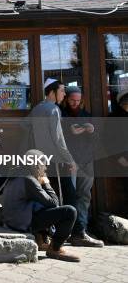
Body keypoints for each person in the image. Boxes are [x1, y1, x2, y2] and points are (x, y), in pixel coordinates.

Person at [2, 149, 80, 262]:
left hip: (12, 221)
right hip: (21, 223)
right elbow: (54, 203)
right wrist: (46, 182)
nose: (45, 168)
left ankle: (41, 240)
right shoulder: (29, 179)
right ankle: (55, 248)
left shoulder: (15, 174)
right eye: (44, 164)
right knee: (70, 211)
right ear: (37, 164)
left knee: (40, 205)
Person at [60, 86, 104, 247]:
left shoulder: (87, 115)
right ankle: (65, 231)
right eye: (72, 100)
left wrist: (92, 131)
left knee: (84, 196)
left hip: (86, 162)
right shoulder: (61, 114)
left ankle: (81, 230)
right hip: (69, 162)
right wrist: (69, 131)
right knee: (68, 196)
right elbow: (56, 139)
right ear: (66, 99)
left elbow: (96, 141)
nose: (75, 103)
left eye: (78, 101)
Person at [26, 78, 76, 181]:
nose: (64, 94)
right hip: (54, 161)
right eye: (62, 90)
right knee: (66, 194)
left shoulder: (37, 108)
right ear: (52, 92)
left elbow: (24, 125)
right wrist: (70, 160)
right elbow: (58, 139)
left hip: (38, 160)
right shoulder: (54, 109)